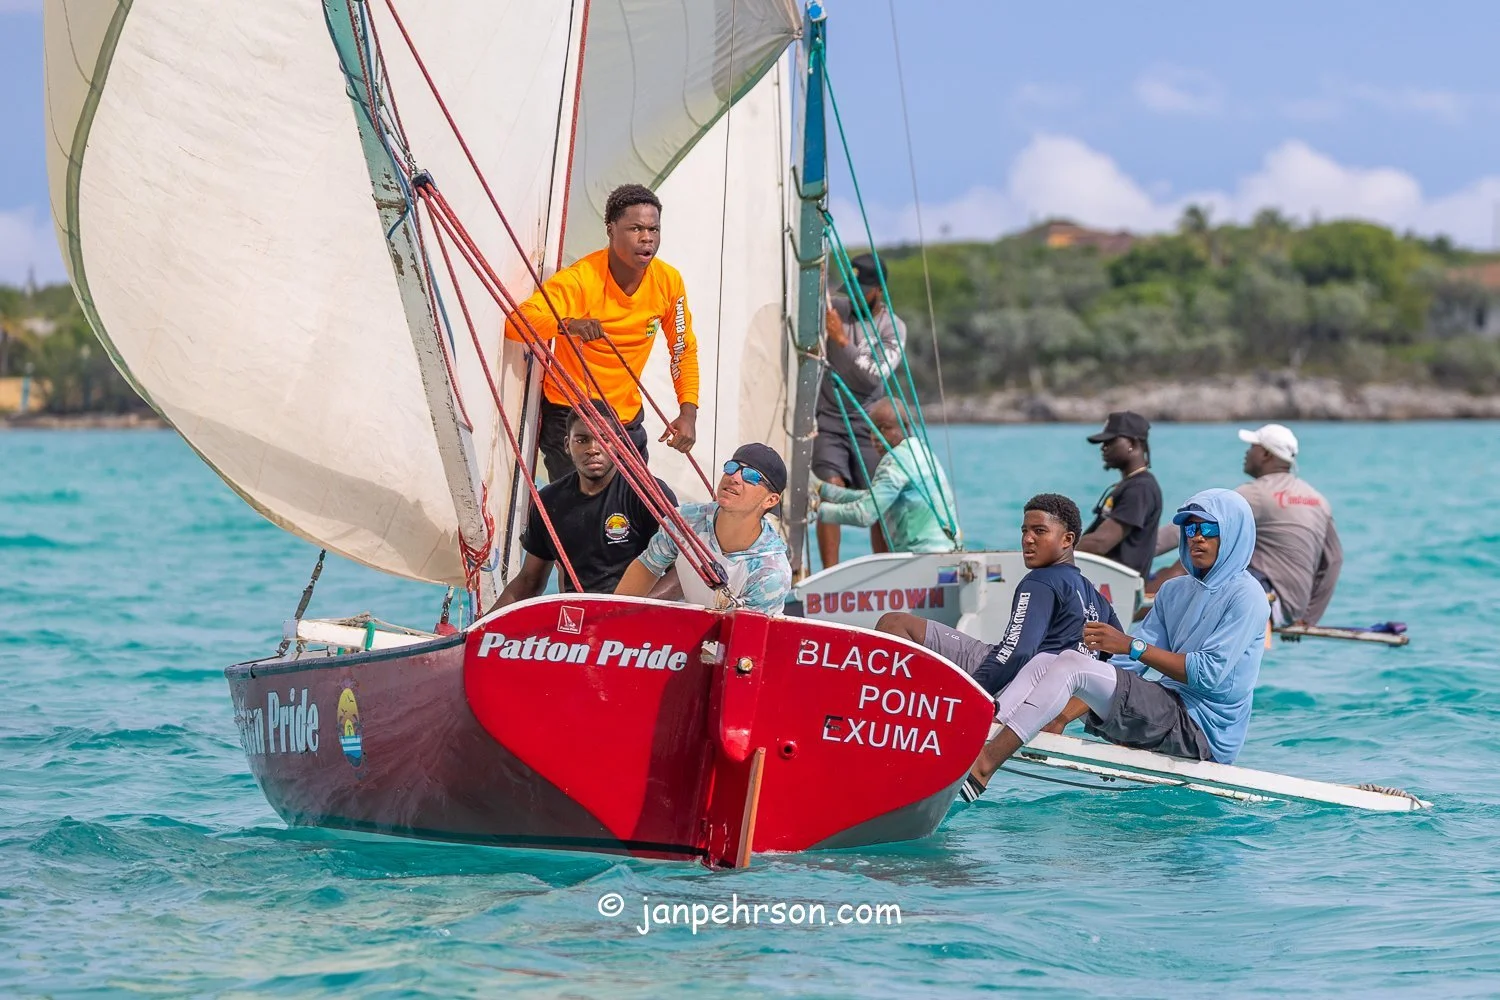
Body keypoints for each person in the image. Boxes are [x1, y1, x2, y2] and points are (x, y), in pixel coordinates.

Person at [961, 489, 1267, 802]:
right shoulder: (1173, 591)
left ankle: (985, 765)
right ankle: (984, 731)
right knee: (1049, 660)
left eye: (1209, 529)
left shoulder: (1248, 597)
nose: (1197, 537)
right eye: (1190, 529)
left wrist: (1131, 644)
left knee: (1071, 665)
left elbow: (1207, 674)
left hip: (1203, 732)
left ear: (1233, 533)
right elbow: (1125, 667)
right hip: (1165, 709)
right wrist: (1060, 717)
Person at [505, 183, 699, 480]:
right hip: (572, 415)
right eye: (635, 228)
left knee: (636, 505)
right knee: (586, 505)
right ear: (611, 230)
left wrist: (688, 412)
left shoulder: (669, 282)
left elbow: (682, 350)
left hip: (625, 419)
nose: (647, 238)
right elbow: (517, 323)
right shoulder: (581, 280)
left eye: (654, 229)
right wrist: (567, 325)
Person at [876, 494, 1119, 696]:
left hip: (1010, 681)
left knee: (894, 623)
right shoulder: (1098, 599)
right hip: (1052, 694)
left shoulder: (1041, 580)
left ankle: (916, 707)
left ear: (1067, 539)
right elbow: (1113, 656)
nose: (1027, 539)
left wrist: (969, 695)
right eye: (1024, 530)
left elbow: (1016, 652)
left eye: (1039, 531)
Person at [490, 400, 676, 609]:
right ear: (567, 445)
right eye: (582, 440)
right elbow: (528, 583)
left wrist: (634, 610)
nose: (593, 449)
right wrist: (481, 626)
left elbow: (683, 571)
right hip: (576, 620)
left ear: (619, 443)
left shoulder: (647, 494)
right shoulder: (549, 502)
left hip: (634, 617)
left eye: (604, 439)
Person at [1150, 424, 1342, 626]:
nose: (1246, 453)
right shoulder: (1318, 500)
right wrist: (1307, 618)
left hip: (1264, 600)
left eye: (1252, 447)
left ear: (1266, 454)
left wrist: (1137, 551)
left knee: (1193, 554)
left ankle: (1134, 609)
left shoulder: (1256, 493)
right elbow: (1334, 561)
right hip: (1294, 609)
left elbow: (1184, 528)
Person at [615, 443, 793, 615]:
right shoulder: (686, 520)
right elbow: (648, 565)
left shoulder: (771, 574)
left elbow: (740, 633)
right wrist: (612, 616)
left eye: (751, 476)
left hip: (736, 634)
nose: (735, 477)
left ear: (770, 500)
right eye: (731, 467)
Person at [813, 253, 906, 568]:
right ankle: (829, 575)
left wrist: (841, 339)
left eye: (862, 291)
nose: (853, 297)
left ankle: (884, 570)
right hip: (829, 419)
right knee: (831, 489)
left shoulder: (893, 328)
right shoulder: (834, 308)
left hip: (869, 423)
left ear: (879, 289)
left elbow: (876, 374)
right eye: (850, 289)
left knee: (878, 499)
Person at [810, 397, 957, 554]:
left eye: (884, 428)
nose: (875, 437)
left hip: (921, 557)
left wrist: (816, 508)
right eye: (871, 430)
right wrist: (822, 489)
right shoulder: (920, 451)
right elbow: (870, 498)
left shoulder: (896, 463)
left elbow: (864, 515)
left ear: (905, 427)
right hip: (947, 553)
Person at [1076, 411, 1162, 579]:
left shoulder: (1140, 489)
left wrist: (1055, 550)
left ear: (1132, 443)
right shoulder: (1130, 484)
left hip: (1119, 585)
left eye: (1110, 441)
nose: (1103, 447)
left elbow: (1100, 543)